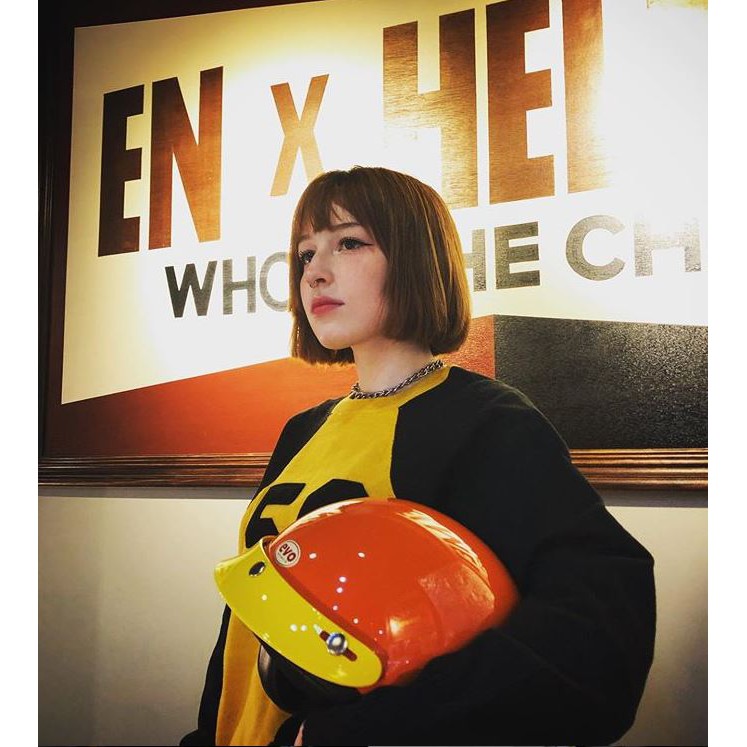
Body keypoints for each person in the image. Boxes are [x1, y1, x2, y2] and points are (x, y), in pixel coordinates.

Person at [181, 166, 656, 746]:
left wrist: (353, 731)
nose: (314, 272)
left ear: (415, 258)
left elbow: (597, 635)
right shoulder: (303, 430)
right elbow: (250, 615)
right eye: (306, 253)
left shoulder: (486, 422)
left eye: (349, 243)